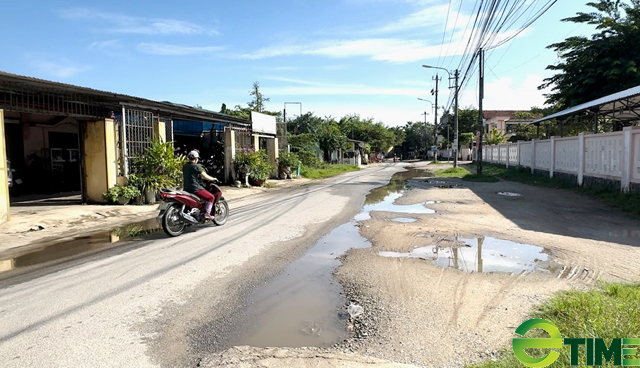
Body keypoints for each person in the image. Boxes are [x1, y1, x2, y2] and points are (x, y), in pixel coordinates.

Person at [183, 150, 221, 220]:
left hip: (186, 188)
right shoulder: (196, 166)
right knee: (211, 197)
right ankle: (207, 214)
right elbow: (205, 176)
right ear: (196, 158)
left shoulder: (185, 166)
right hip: (195, 188)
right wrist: (213, 179)